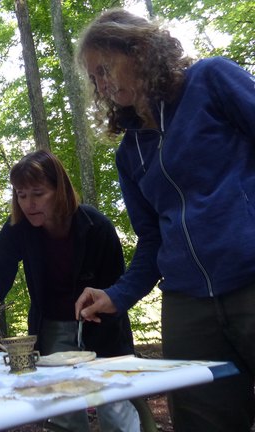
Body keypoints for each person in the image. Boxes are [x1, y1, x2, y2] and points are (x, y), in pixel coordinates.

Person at [74, 8, 255, 432]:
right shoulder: (129, 153)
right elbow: (153, 241)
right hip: (189, 307)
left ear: (137, 48)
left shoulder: (211, 80)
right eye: (94, 78)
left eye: (104, 69)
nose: (101, 84)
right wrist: (117, 295)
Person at [0, 150, 139, 432]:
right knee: (63, 412)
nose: (28, 204)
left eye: (38, 193)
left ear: (59, 190)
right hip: (52, 330)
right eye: (21, 195)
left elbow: (118, 290)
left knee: (115, 408)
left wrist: (103, 307)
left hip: (103, 330)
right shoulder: (19, 229)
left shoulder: (96, 227)